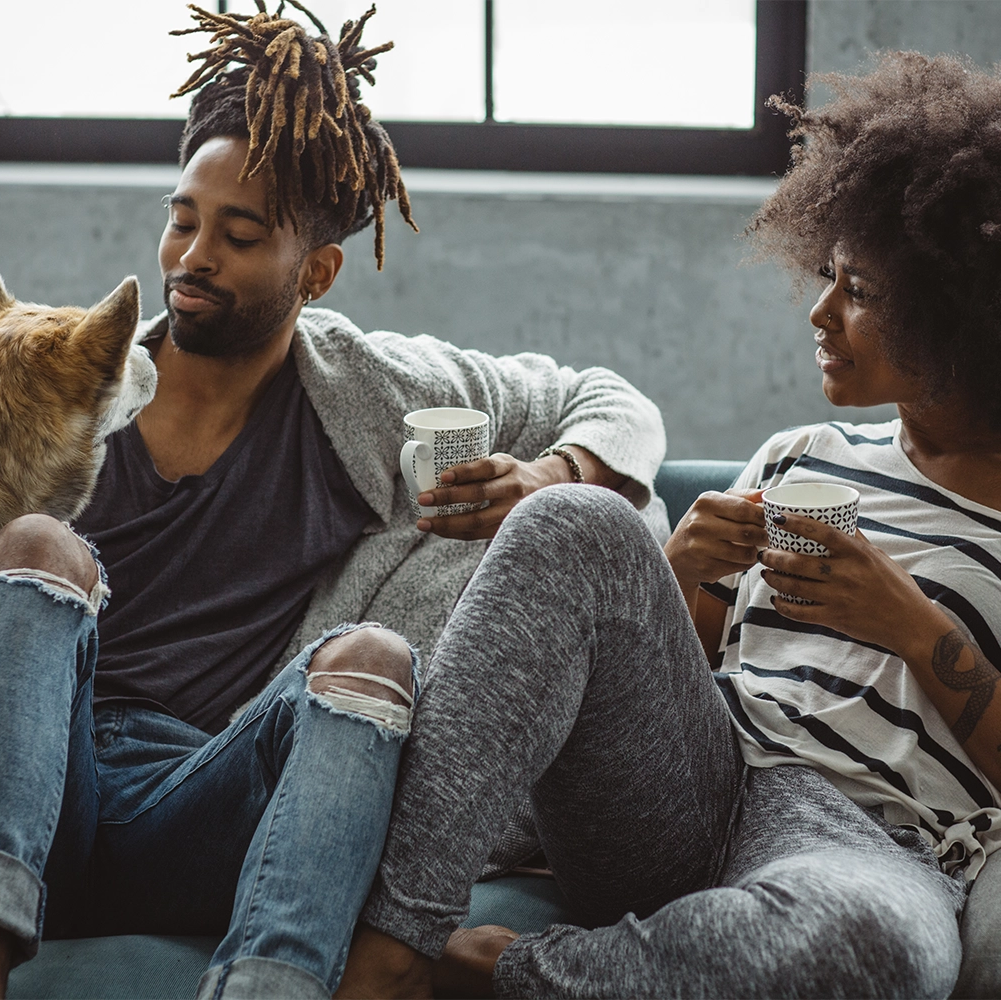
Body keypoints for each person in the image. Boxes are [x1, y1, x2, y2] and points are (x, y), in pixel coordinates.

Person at [0, 6, 665, 1000]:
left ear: (316, 272)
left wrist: (551, 477)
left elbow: (608, 401)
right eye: (182, 217)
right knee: (38, 543)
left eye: (238, 236)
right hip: (37, 787)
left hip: (214, 800)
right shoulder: (76, 380)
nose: (191, 256)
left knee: (371, 661)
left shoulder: (371, 394)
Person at [333, 51, 1001, 1000]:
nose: (818, 313)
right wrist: (677, 565)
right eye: (827, 278)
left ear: (960, 318)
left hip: (862, 839)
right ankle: (392, 943)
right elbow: (686, 663)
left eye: (859, 293)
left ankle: (508, 971)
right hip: (697, 777)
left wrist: (909, 622)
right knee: (575, 519)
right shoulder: (802, 453)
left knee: (878, 949)